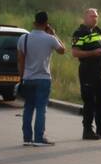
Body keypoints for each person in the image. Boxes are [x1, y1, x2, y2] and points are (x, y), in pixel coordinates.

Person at [16, 11, 66, 147]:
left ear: (34, 23)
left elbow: (20, 60)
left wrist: (22, 77)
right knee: (40, 109)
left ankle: (27, 137)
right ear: (46, 24)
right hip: (43, 78)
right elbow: (63, 50)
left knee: (28, 108)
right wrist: (53, 33)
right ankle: (39, 138)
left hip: (28, 78)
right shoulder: (50, 38)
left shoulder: (23, 39)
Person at [71, 8, 101, 141]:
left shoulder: (96, 30)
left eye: (96, 17)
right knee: (89, 101)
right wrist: (93, 53)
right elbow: (75, 52)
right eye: (92, 16)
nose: (94, 19)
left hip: (99, 69)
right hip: (87, 70)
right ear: (85, 17)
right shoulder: (79, 32)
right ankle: (88, 130)